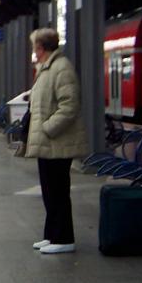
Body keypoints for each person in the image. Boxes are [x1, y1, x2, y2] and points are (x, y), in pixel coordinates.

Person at [25, 28, 88, 255]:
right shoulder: (46, 69)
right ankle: (51, 234)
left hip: (57, 141)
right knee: (49, 191)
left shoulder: (61, 68)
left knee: (58, 191)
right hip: (47, 143)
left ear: (41, 47)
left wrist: (48, 128)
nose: (33, 51)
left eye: (34, 46)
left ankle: (64, 238)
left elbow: (69, 105)